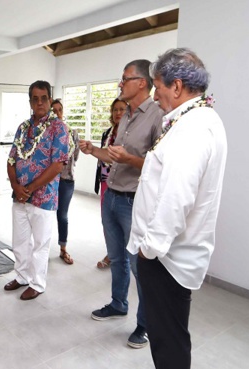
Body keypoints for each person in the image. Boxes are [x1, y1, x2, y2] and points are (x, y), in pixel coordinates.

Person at [128, 48, 227, 369]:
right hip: (171, 255)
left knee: (168, 340)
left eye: (157, 87)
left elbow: (176, 199)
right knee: (170, 336)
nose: (155, 96)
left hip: (167, 259)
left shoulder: (192, 129)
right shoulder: (199, 119)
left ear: (177, 86)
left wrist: (149, 249)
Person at [79, 60, 163, 348]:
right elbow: (114, 157)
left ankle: (146, 324)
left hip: (134, 202)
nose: (120, 83)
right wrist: (94, 151)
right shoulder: (125, 115)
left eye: (125, 78)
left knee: (139, 266)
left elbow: (159, 166)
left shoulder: (157, 116)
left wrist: (129, 159)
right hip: (111, 196)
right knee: (116, 258)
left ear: (142, 82)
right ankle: (118, 304)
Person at [4, 81, 72, 300]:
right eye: (35, 98)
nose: (40, 102)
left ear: (50, 100)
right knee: (20, 241)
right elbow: (11, 159)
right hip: (20, 196)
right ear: (30, 102)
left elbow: (57, 165)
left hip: (43, 197)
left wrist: (30, 189)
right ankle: (22, 276)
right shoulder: (23, 128)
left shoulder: (58, 128)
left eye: (44, 98)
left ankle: (37, 283)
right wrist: (16, 186)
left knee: (40, 244)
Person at [95, 98, 127, 269]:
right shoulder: (108, 133)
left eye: (122, 109)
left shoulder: (130, 133)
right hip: (105, 182)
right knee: (107, 221)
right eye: (115, 110)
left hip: (123, 185)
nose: (118, 113)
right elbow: (102, 157)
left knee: (123, 222)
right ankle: (112, 253)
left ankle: (122, 256)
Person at [52, 99, 80, 265]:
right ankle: (39, 249)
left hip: (66, 179)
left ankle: (63, 248)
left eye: (59, 110)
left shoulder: (72, 133)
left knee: (62, 215)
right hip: (48, 182)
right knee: (45, 216)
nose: (57, 113)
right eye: (53, 110)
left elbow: (75, 156)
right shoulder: (45, 134)